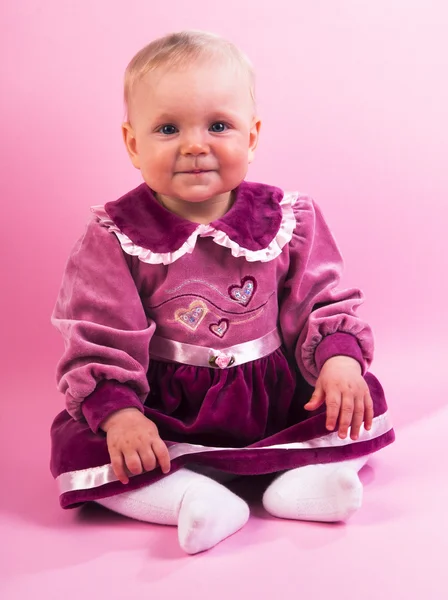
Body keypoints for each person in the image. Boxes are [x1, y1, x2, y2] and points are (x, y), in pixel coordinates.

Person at [50, 30, 394, 555]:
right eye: (168, 128)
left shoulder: (286, 219)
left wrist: (338, 362)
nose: (194, 145)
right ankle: (193, 498)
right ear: (132, 143)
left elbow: (321, 300)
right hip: (167, 410)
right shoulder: (115, 236)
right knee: (92, 446)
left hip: (275, 399)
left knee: (353, 401)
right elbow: (99, 332)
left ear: (252, 137)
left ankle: (303, 486)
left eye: (218, 126)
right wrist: (121, 412)